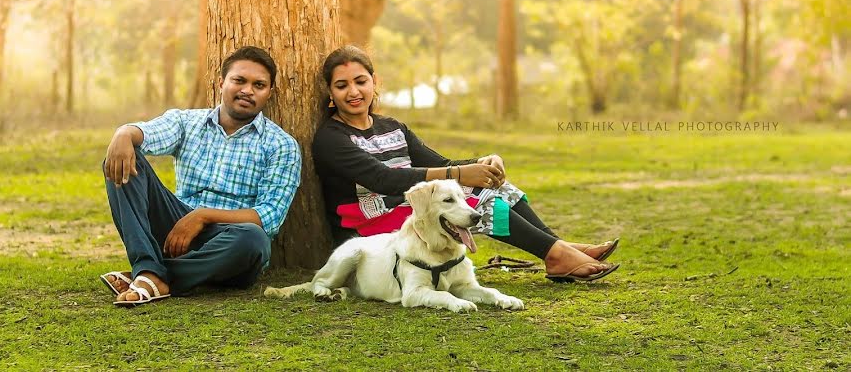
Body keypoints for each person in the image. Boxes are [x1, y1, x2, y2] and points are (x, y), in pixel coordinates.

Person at [312, 46, 619, 283]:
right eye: (342, 85)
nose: (353, 92)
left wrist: (483, 164)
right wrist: (460, 174)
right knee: (476, 202)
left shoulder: (393, 127)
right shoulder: (331, 138)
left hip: (410, 209)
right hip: (370, 226)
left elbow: (440, 164)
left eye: (360, 81)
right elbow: (382, 180)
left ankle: (558, 248)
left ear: (374, 81)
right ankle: (557, 254)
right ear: (330, 92)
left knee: (496, 186)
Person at [101, 46, 301, 306]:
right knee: (123, 159)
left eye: (259, 85)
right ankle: (148, 267)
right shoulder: (187, 122)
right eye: (239, 80)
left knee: (254, 239)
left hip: (229, 242)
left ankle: (151, 277)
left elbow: (270, 216)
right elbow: (148, 133)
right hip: (175, 229)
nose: (247, 90)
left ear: (269, 93)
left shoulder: (281, 145)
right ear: (221, 83)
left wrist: (203, 216)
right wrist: (123, 133)